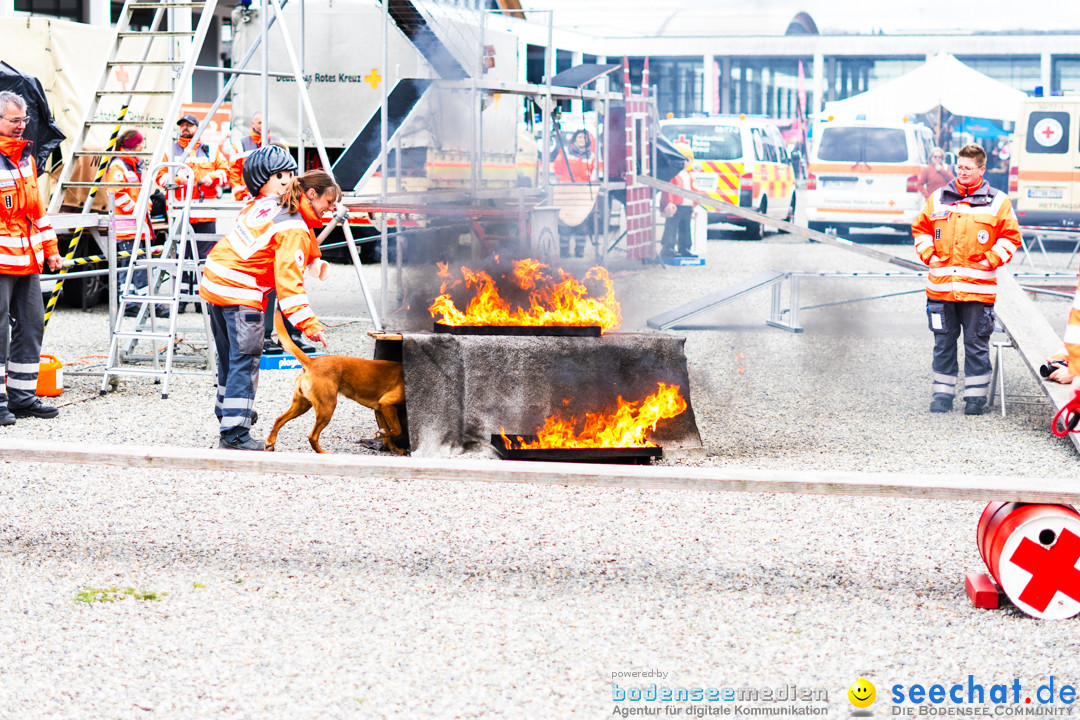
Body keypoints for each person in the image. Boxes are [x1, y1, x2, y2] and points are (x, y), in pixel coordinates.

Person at [199, 151, 338, 451]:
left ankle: (230, 412)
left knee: (228, 358)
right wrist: (309, 325)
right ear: (311, 194)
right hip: (240, 292)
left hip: (214, 284)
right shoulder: (294, 229)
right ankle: (235, 432)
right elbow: (288, 284)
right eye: (328, 202)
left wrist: (312, 255)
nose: (330, 210)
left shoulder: (267, 204)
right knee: (245, 361)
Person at [912, 144, 1022, 416]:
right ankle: (942, 396)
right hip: (941, 290)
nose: (962, 172)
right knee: (943, 345)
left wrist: (992, 259)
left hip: (977, 291)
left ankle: (975, 399)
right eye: (959, 167)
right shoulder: (938, 197)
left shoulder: (998, 201)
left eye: (968, 168)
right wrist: (929, 254)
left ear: (982, 170)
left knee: (976, 345)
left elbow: (1011, 237)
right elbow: (921, 229)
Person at [0, 91, 61, 424]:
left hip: (26, 259)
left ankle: (22, 397)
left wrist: (51, 250)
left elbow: (36, 211)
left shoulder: (26, 158)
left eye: (23, 120)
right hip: (2, 261)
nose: (21, 126)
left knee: (31, 323)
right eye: (14, 120)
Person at [105, 129, 155, 316]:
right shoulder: (120, 166)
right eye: (141, 143)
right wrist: (138, 210)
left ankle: (132, 303)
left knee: (133, 266)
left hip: (133, 225)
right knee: (134, 266)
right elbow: (116, 194)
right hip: (127, 225)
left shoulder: (130, 164)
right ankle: (138, 304)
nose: (143, 146)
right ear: (135, 144)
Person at [659, 142, 697, 259]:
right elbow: (668, 189)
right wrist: (669, 202)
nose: (685, 162)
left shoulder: (690, 174)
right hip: (675, 206)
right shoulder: (673, 174)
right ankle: (668, 248)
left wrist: (695, 206)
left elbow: (694, 191)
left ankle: (685, 248)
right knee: (671, 227)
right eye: (683, 159)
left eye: (688, 159)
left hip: (687, 206)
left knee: (686, 228)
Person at [226, 111, 274, 202]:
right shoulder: (240, 146)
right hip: (246, 198)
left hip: (271, 198)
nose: (263, 126)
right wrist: (241, 196)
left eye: (265, 123)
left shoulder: (280, 144)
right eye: (260, 123)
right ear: (253, 123)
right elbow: (234, 172)